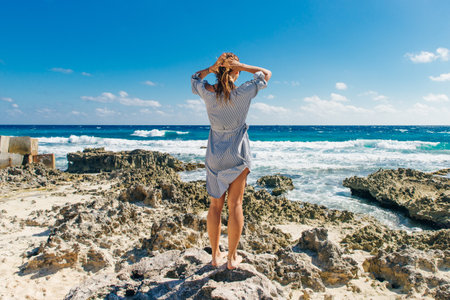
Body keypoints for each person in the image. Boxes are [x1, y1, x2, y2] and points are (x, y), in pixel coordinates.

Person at [191, 52, 272, 269]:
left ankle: (215, 256)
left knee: (215, 206)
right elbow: (266, 74)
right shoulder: (243, 92)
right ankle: (231, 258)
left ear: (218, 72)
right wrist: (242, 65)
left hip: (215, 154)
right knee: (235, 204)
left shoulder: (208, 93)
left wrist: (211, 68)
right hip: (237, 153)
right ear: (235, 71)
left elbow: (194, 78)